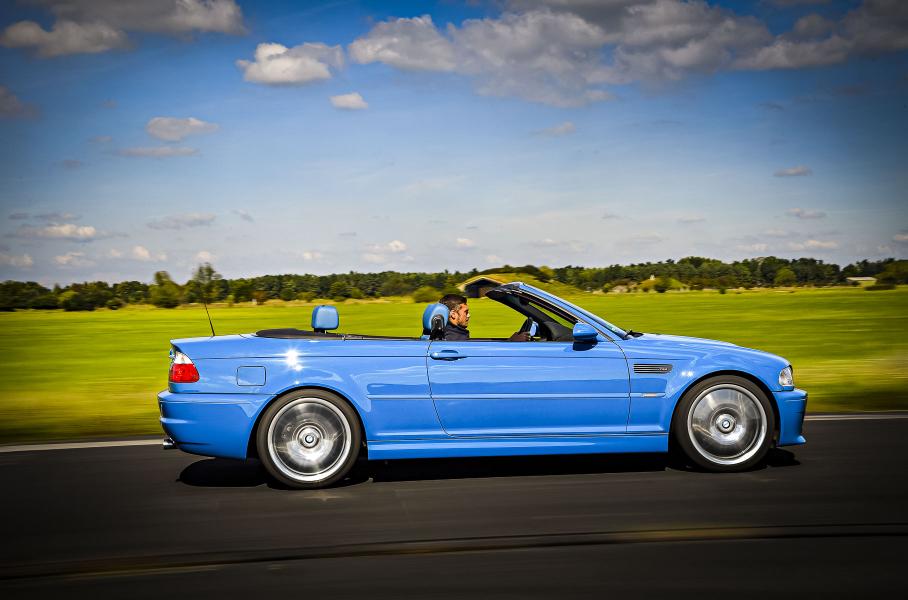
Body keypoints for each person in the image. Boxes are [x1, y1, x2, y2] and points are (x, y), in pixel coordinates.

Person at [439, 294, 530, 342]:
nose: (469, 315)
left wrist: (508, 340)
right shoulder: (453, 339)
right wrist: (510, 343)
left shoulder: (451, 334)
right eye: (466, 312)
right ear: (453, 314)